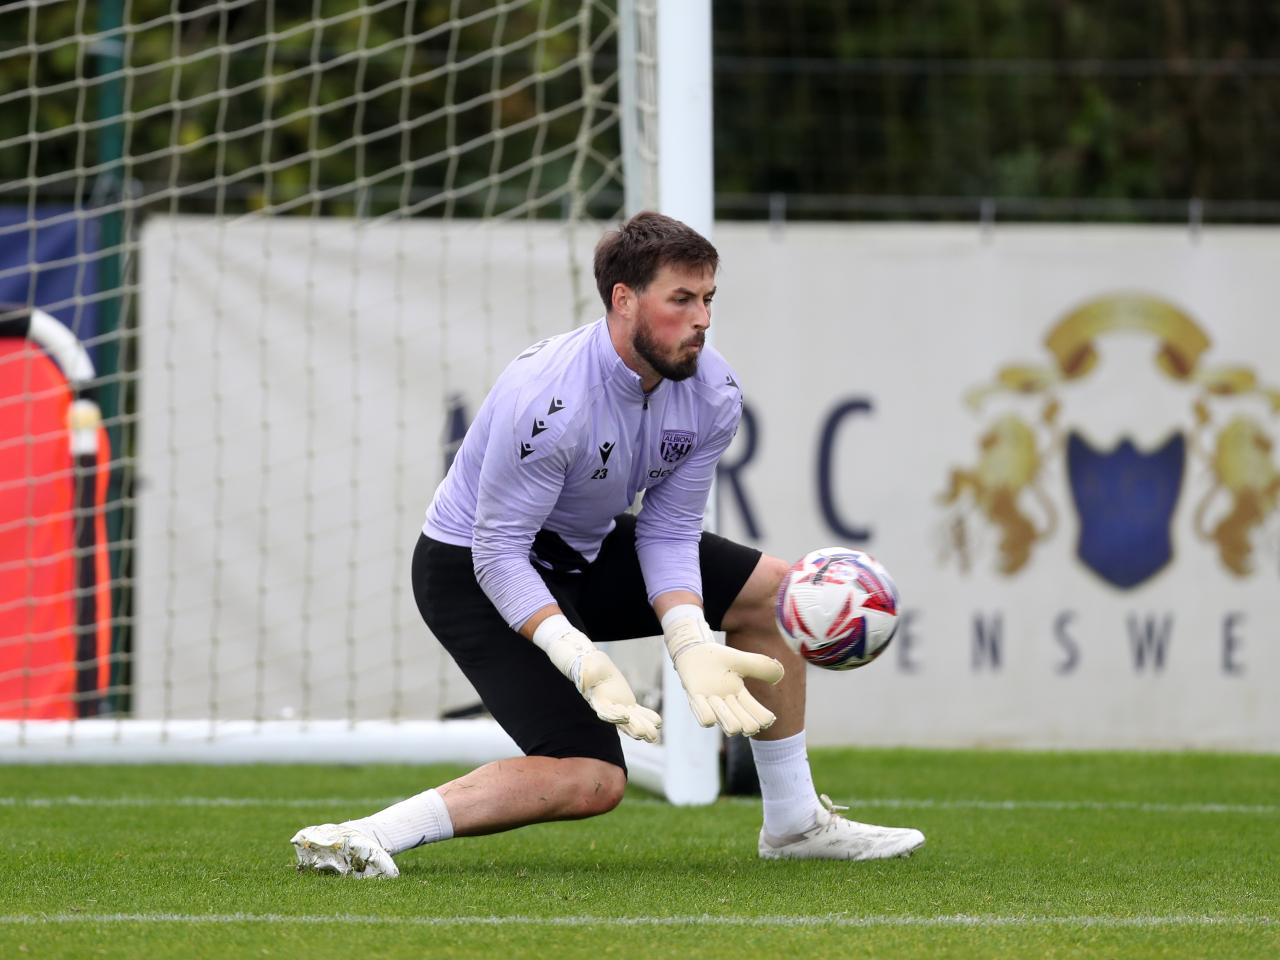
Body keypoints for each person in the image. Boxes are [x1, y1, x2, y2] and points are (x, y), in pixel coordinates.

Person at [291, 211, 925, 877]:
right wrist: (579, 657)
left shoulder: (713, 391)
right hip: (471, 568)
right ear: (624, 299)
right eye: (681, 299)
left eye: (708, 298)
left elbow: (668, 529)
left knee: (775, 592)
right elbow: (498, 551)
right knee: (593, 779)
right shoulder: (547, 398)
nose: (702, 319)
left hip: (582, 548)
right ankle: (360, 835)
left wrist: (688, 639)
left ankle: (795, 825)